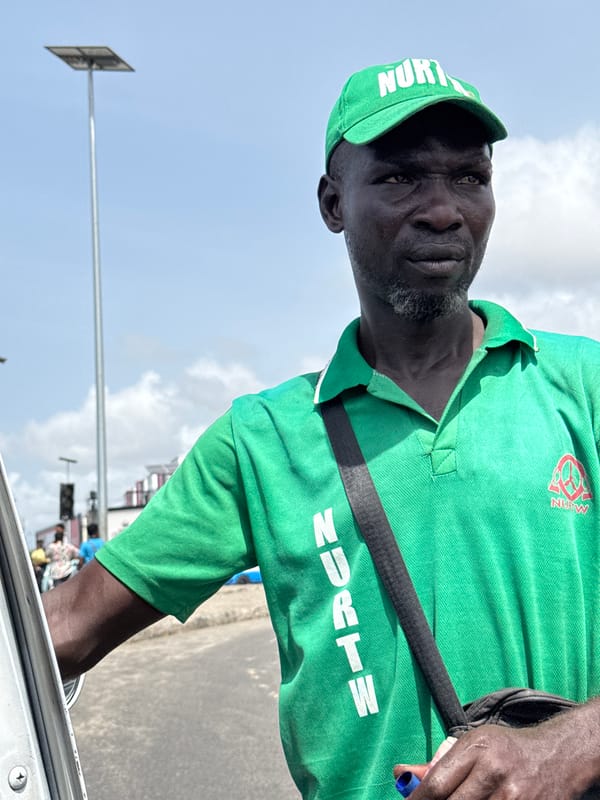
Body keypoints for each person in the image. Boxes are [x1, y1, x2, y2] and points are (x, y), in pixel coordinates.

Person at [42, 56, 600, 800]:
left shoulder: (581, 385)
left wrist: (570, 745)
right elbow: (70, 624)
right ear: (332, 202)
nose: (443, 208)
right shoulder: (262, 440)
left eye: (470, 176)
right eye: (401, 177)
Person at [44, 523, 80, 588]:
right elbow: (78, 553)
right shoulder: (68, 546)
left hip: (55, 571)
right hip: (68, 570)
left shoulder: (51, 546)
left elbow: (46, 555)